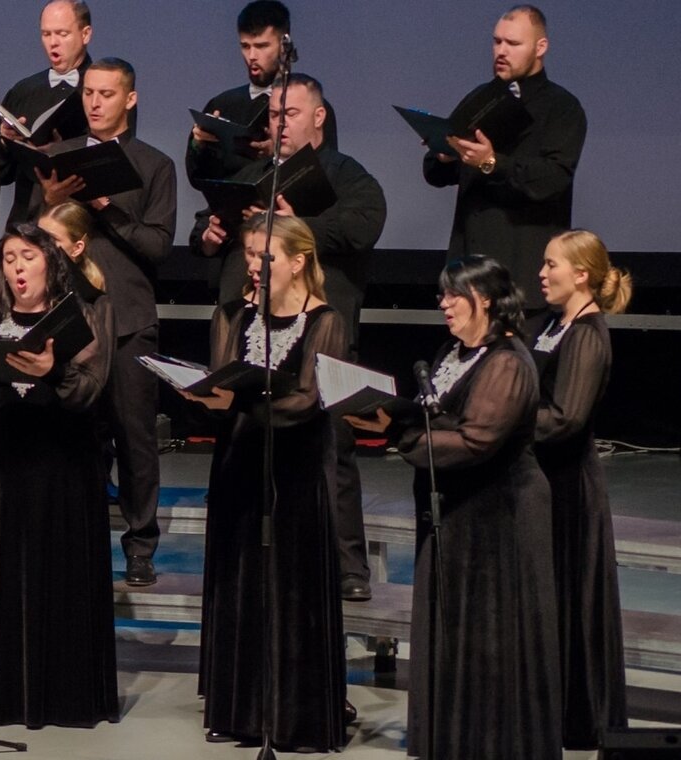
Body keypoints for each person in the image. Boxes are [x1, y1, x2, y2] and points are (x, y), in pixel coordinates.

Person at [345, 255, 560, 759]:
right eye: (442, 294)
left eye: (453, 295)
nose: (443, 304)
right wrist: (391, 416)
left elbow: (476, 440)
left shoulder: (507, 361)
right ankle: (455, 736)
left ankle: (491, 743)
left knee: (491, 633)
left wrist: (402, 437)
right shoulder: (453, 352)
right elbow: (440, 416)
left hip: (500, 520)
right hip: (456, 515)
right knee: (456, 629)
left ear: (483, 300)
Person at [191, 73, 386, 600]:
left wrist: (297, 227)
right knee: (244, 435)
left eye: (290, 114)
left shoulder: (346, 174)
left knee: (331, 447)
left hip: (316, 329)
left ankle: (347, 564)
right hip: (251, 326)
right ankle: (245, 555)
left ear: (318, 117)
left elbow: (364, 226)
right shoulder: (254, 174)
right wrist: (208, 234)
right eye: (273, 115)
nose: (278, 124)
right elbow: (206, 225)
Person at [181, 215, 348, 749]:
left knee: (291, 587)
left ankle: (293, 715)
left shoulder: (325, 321)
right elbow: (219, 388)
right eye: (249, 254)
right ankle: (240, 711)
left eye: (265, 256)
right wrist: (203, 397)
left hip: (295, 475)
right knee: (240, 581)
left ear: (298, 261)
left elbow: (308, 401)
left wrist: (243, 402)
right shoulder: (232, 314)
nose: (253, 265)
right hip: (238, 465)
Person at [0, 224, 116, 729]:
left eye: (27, 256)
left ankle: (65, 696)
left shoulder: (81, 314)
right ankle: (4, 692)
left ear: (50, 261)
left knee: (62, 575)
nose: (17, 267)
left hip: (64, 464)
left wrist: (53, 370)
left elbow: (89, 391)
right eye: (9, 258)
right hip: (7, 462)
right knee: (7, 573)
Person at [35, 58, 175, 585]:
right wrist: (50, 200)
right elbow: (26, 237)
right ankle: (78, 538)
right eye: (89, 93)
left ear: (130, 99)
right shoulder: (61, 157)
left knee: (134, 437)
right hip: (69, 317)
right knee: (75, 435)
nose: (94, 103)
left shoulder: (154, 165)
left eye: (106, 94)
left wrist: (104, 204)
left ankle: (140, 547)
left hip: (130, 318)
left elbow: (157, 245)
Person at [531, 230, 630, 749]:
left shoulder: (587, 334)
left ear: (582, 274)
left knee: (572, 599)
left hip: (569, 486)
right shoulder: (553, 325)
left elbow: (565, 418)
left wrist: (502, 422)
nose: (542, 273)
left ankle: (577, 717)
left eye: (552, 265)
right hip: (544, 482)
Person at [422, 5, 585, 310]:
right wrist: (445, 155)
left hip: (524, 278)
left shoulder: (562, 107)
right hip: (469, 274)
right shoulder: (480, 98)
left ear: (540, 47)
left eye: (513, 43)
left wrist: (492, 162)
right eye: (497, 41)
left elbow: (553, 178)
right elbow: (434, 173)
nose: (501, 51)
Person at [185, 0, 340, 191]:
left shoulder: (310, 105)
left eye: (262, 46)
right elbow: (198, 178)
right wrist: (199, 145)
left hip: (288, 207)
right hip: (227, 207)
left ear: (284, 44)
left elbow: (327, 174)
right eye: (245, 46)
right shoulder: (222, 104)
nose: (252, 56)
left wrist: (279, 156)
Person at [0, 0, 100, 226]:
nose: (53, 43)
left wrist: (62, 151)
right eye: (46, 34)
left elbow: (119, 154)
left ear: (86, 34)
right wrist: (6, 142)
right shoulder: (24, 90)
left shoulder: (105, 88)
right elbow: (0, 174)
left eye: (62, 33)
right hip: (27, 222)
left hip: (83, 223)